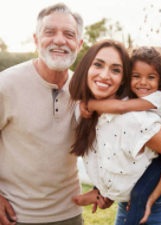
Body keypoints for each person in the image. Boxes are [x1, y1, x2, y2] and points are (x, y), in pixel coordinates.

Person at [69, 42, 161, 225]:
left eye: (115, 70)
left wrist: (90, 104)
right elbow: (115, 159)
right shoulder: (82, 112)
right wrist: (108, 192)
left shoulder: (136, 117)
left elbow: (122, 107)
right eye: (98, 64)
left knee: (139, 195)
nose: (104, 75)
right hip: (127, 199)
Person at [0, 3, 84, 225]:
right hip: (14, 216)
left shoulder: (85, 90)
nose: (59, 40)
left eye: (69, 34)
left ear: (79, 44)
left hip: (70, 214)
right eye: (50, 32)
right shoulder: (6, 85)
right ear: (36, 40)